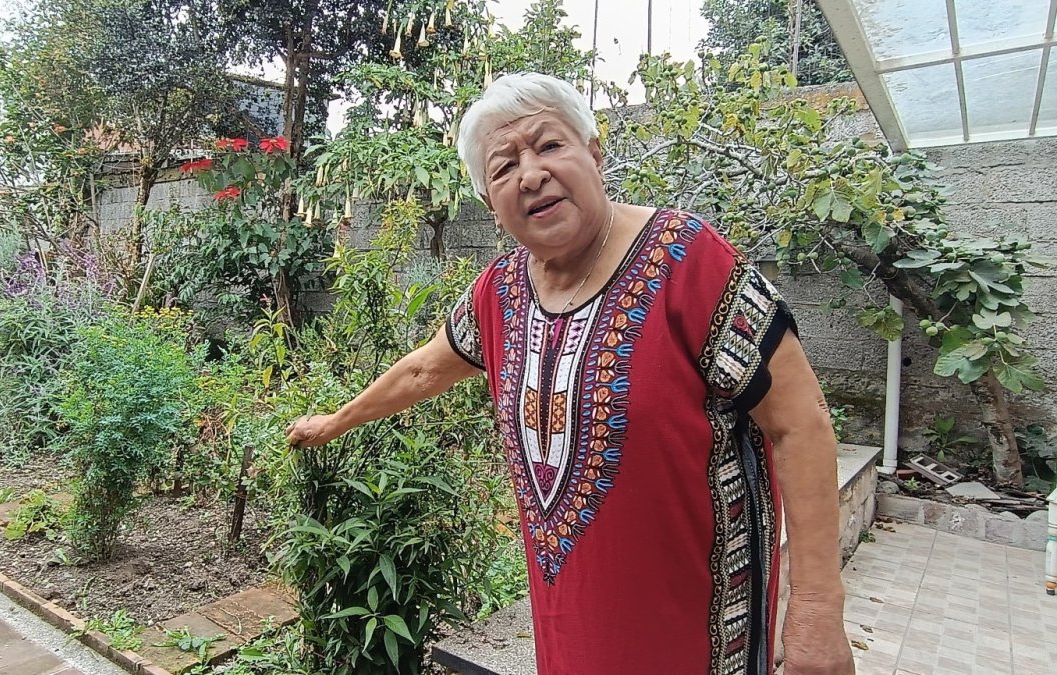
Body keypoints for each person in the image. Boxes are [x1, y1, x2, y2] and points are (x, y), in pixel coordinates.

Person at [287, 72, 854, 675]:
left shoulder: (690, 259)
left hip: (697, 628)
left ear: (594, 152)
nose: (530, 174)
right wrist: (335, 422)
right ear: (490, 204)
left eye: (550, 145)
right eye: (503, 167)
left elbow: (801, 424)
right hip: (573, 623)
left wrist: (817, 608)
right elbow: (426, 369)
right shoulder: (498, 295)